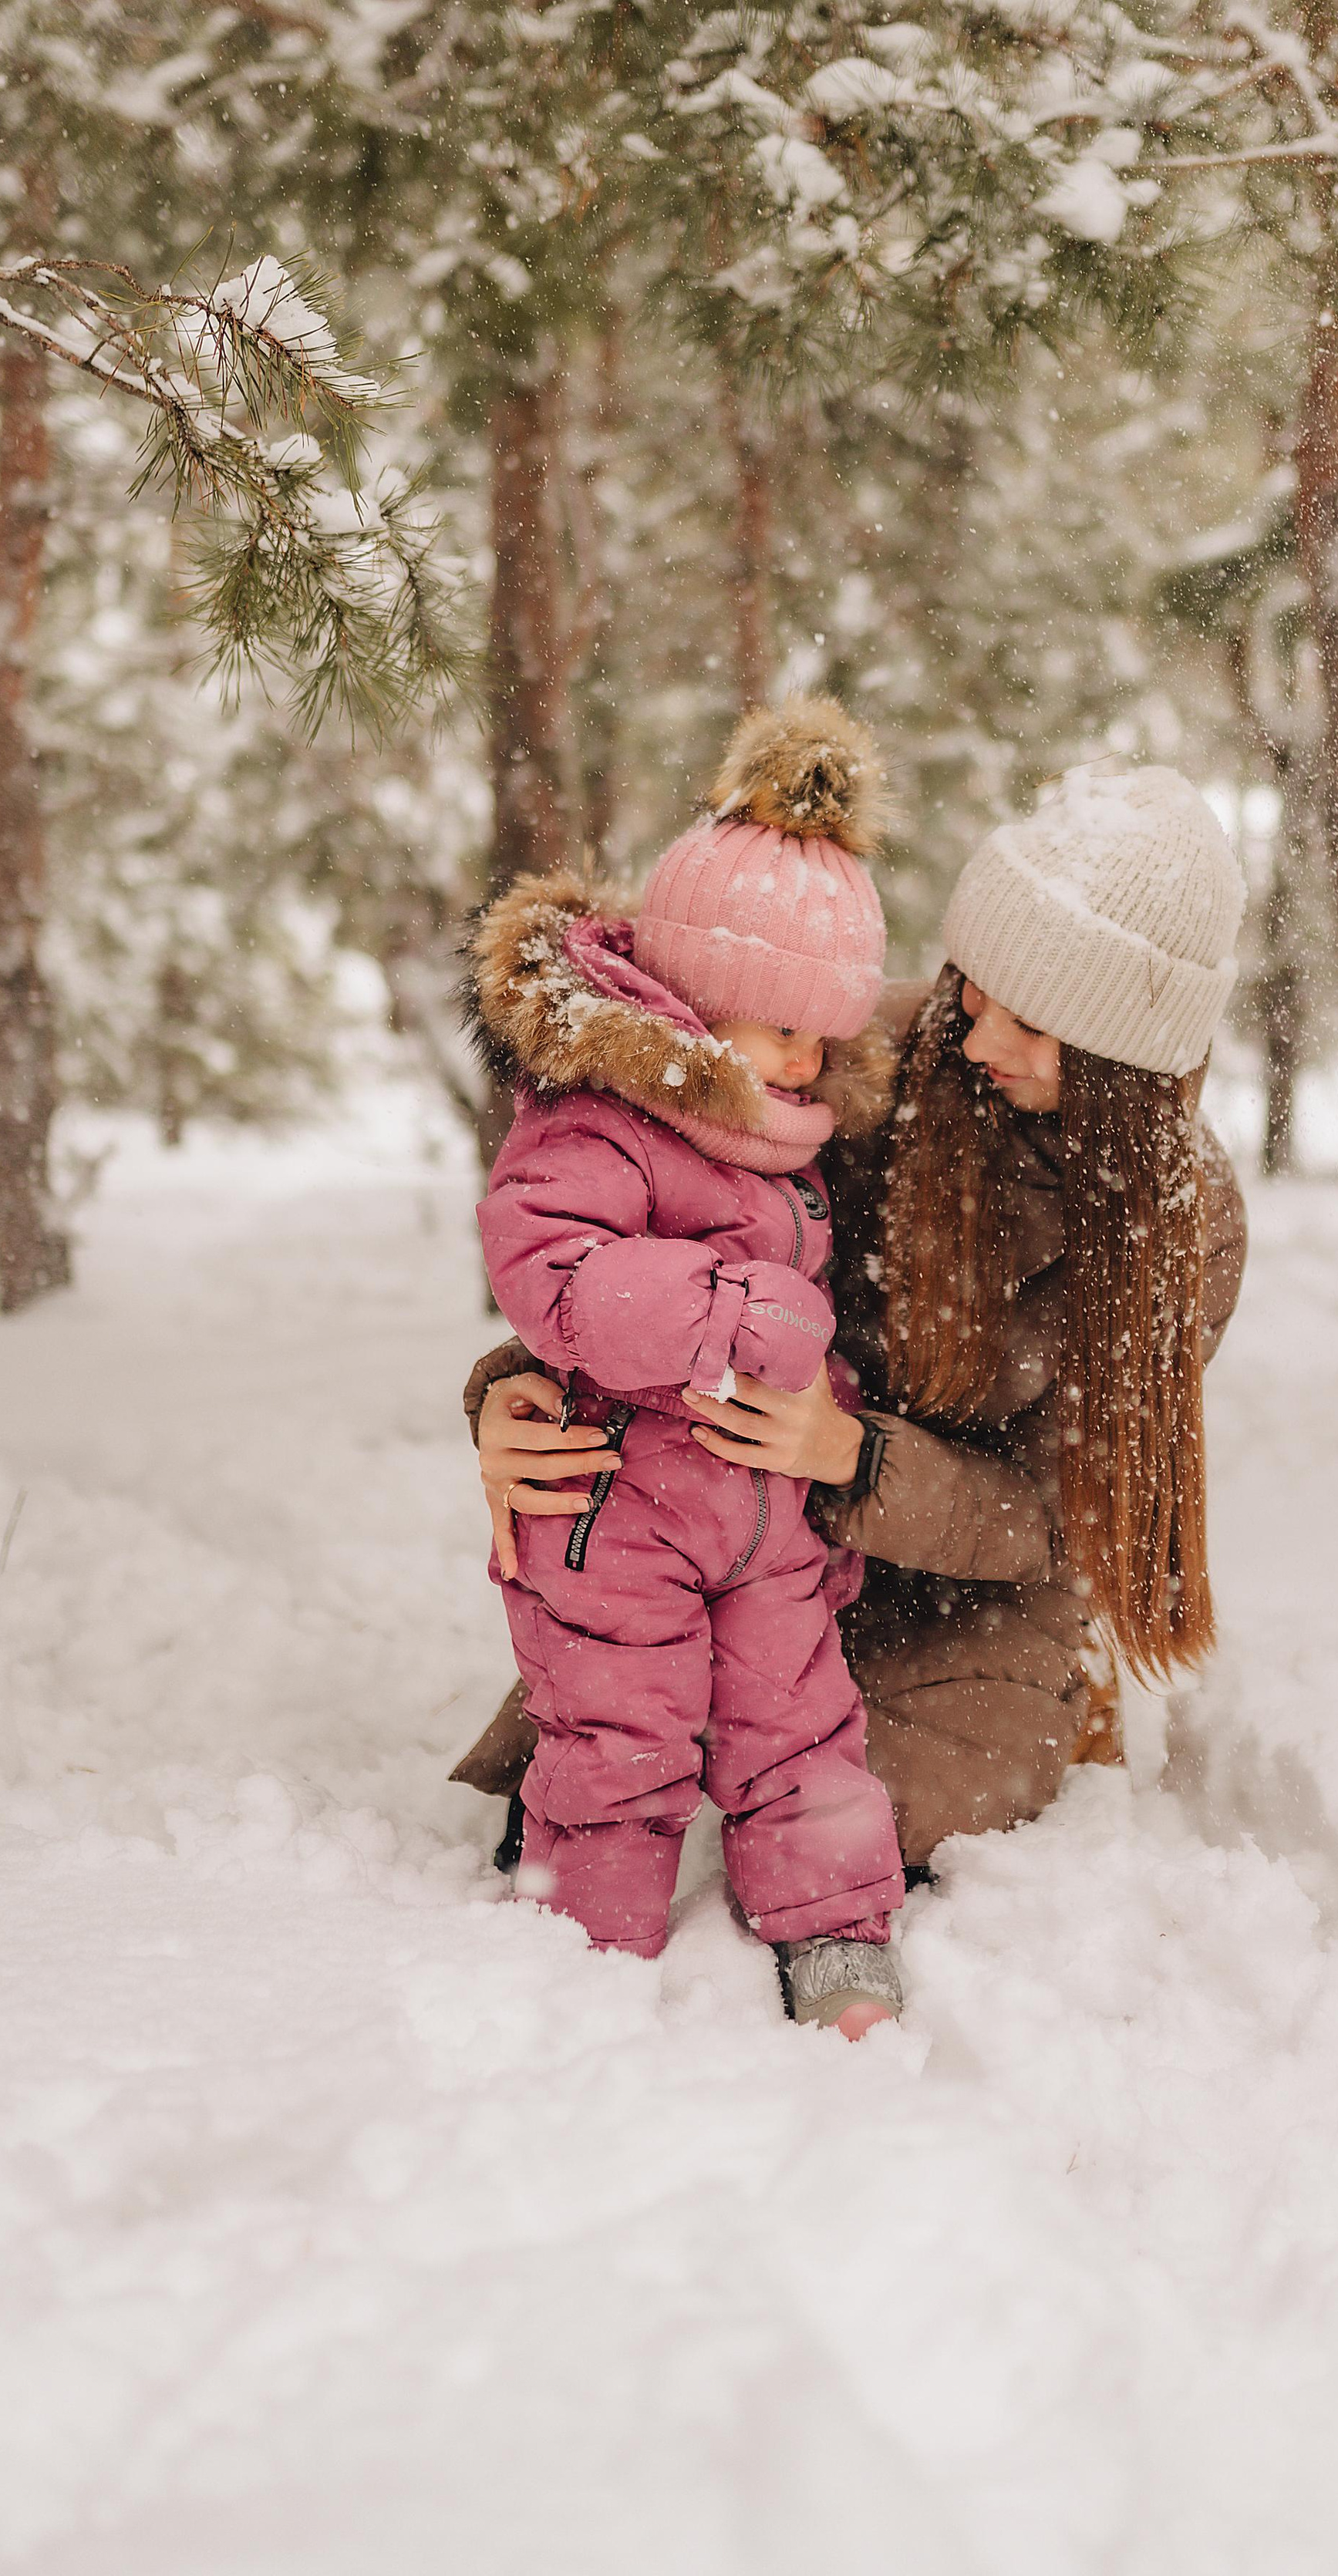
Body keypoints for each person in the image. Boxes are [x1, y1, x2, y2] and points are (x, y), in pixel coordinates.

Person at [457, 759, 1249, 1885]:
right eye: (976, 987)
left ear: (1129, 1062)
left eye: (1036, 1023)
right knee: (616, 1750)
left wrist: (854, 1459)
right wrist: (506, 1390)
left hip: (971, 1593)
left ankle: (1035, 1703)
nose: (979, 1040)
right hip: (744, 1533)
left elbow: (1055, 1518)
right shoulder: (840, 1056)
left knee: (849, 1820)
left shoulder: (1184, 1227)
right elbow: (634, 1228)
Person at [468, 699, 907, 2035]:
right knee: (619, 1732)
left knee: (804, 1726)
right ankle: (589, 1950)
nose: (810, 1058)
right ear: (706, 1009)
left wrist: (819, 1440)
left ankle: (837, 1940)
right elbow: (550, 1267)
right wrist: (734, 1312)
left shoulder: (789, 1133)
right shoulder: (603, 1120)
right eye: (785, 1028)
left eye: (825, 1033)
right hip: (617, 1511)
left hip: (763, 1516)